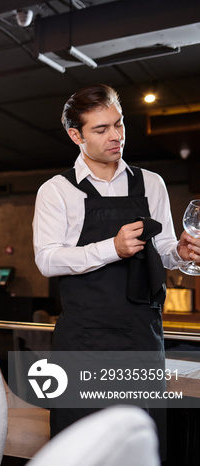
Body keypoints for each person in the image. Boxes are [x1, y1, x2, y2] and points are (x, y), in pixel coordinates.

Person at [32, 84, 200, 439]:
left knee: (137, 446)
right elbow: (47, 259)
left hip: (142, 336)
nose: (116, 136)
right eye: (101, 129)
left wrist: (181, 254)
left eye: (119, 124)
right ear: (75, 134)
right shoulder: (57, 191)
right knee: (81, 449)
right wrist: (112, 247)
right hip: (85, 341)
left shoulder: (151, 183)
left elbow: (164, 246)